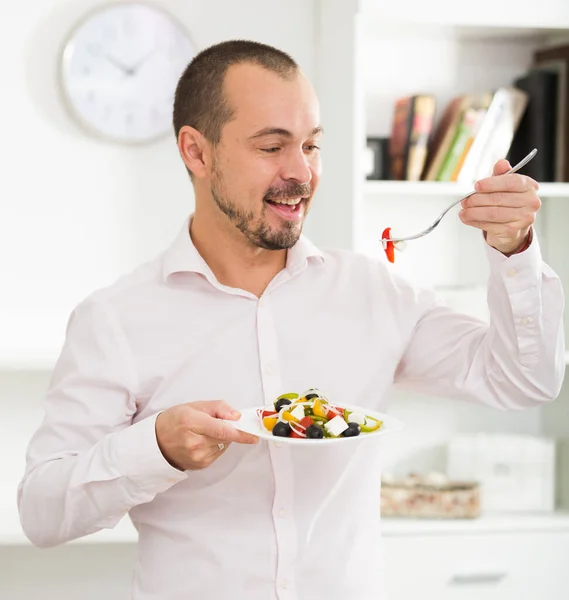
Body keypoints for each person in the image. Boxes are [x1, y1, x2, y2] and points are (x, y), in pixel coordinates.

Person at [18, 39, 565, 600]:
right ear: (197, 152)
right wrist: (154, 449)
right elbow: (42, 512)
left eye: (310, 145)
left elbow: (524, 380)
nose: (300, 172)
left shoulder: (373, 291)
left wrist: (514, 248)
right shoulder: (116, 319)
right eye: (272, 146)